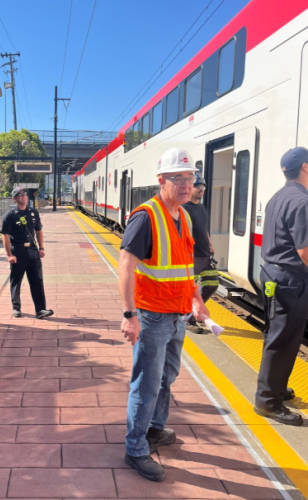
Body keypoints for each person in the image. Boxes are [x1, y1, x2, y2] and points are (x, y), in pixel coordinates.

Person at [118, 147, 210, 482]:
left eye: (190, 177)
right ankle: (135, 448)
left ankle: (154, 429)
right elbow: (125, 265)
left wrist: (197, 299)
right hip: (152, 316)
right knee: (146, 384)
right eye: (178, 178)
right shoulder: (146, 216)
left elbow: (186, 267)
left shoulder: (183, 215)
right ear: (161, 180)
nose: (186, 184)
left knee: (166, 378)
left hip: (177, 316)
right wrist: (130, 315)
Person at [254, 147, 308, 426]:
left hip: (273, 275)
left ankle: (276, 388)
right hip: (289, 281)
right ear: (305, 168)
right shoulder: (302, 201)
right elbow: (305, 251)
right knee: (284, 340)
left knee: (279, 336)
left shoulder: (279, 196)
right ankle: (267, 401)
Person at [1, 187, 53, 319]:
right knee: (16, 280)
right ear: (14, 199)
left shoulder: (33, 212)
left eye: (25, 194)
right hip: (17, 250)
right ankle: (16, 307)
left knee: (37, 280)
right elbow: (5, 236)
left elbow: (38, 230)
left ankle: (40, 309)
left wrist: (41, 248)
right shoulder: (10, 215)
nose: (24, 196)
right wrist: (9, 255)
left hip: (32, 250)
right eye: (20, 195)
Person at [182, 173, 219, 333]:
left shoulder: (201, 207)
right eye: (198, 186)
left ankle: (196, 311)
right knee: (190, 289)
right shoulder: (183, 209)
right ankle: (187, 318)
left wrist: (209, 244)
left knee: (212, 283)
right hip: (192, 256)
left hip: (205, 254)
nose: (201, 189)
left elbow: (204, 229)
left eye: (203, 186)